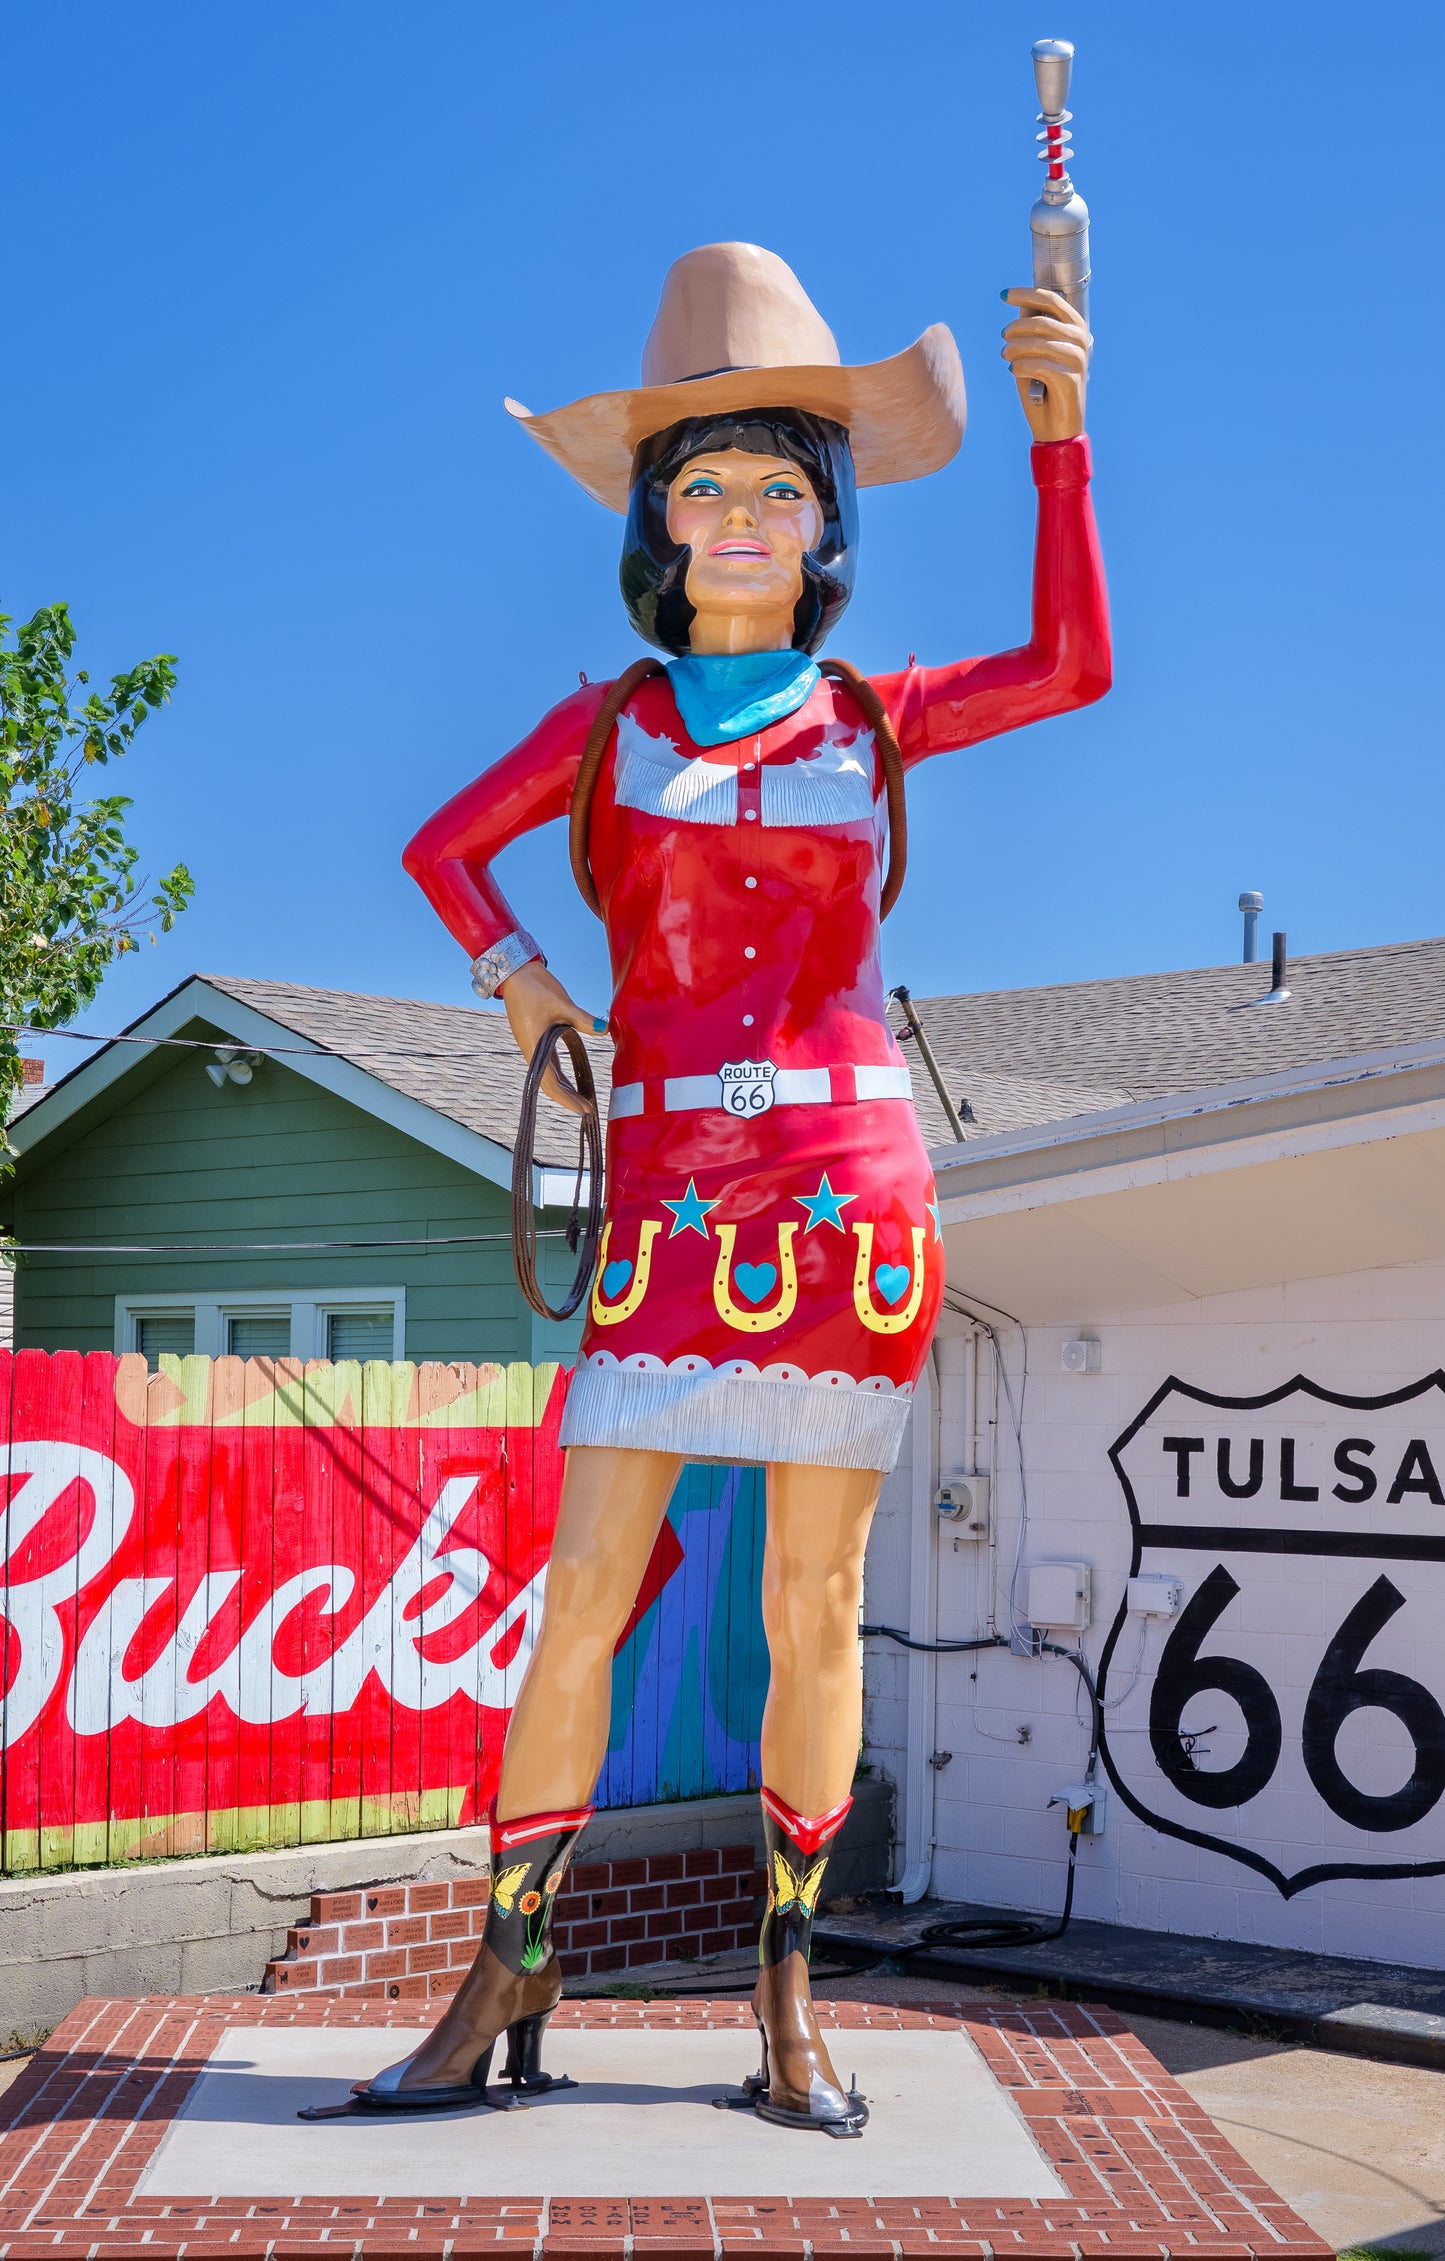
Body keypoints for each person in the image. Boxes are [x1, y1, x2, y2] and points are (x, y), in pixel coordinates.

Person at [356, 242, 1108, 2133]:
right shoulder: (606, 725)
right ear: (657, 524)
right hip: (669, 1200)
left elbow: (1073, 664)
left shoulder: (877, 716)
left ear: (826, 518)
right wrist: (524, 981)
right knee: (581, 1587)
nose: (747, 515)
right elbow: (443, 847)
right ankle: (508, 1959)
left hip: (849, 1195)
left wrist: (1062, 437)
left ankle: (787, 1993)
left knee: (818, 1600)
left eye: (783, 483)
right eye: (706, 485)